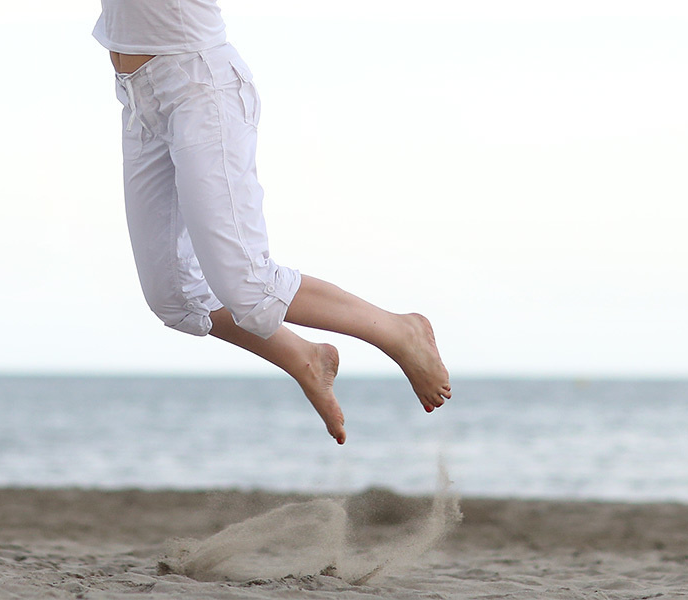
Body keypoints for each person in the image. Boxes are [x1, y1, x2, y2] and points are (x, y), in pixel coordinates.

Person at [93, 0, 450, 444]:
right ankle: (304, 357)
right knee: (174, 299)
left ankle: (400, 330)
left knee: (249, 288)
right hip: (138, 97)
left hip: (198, 88)